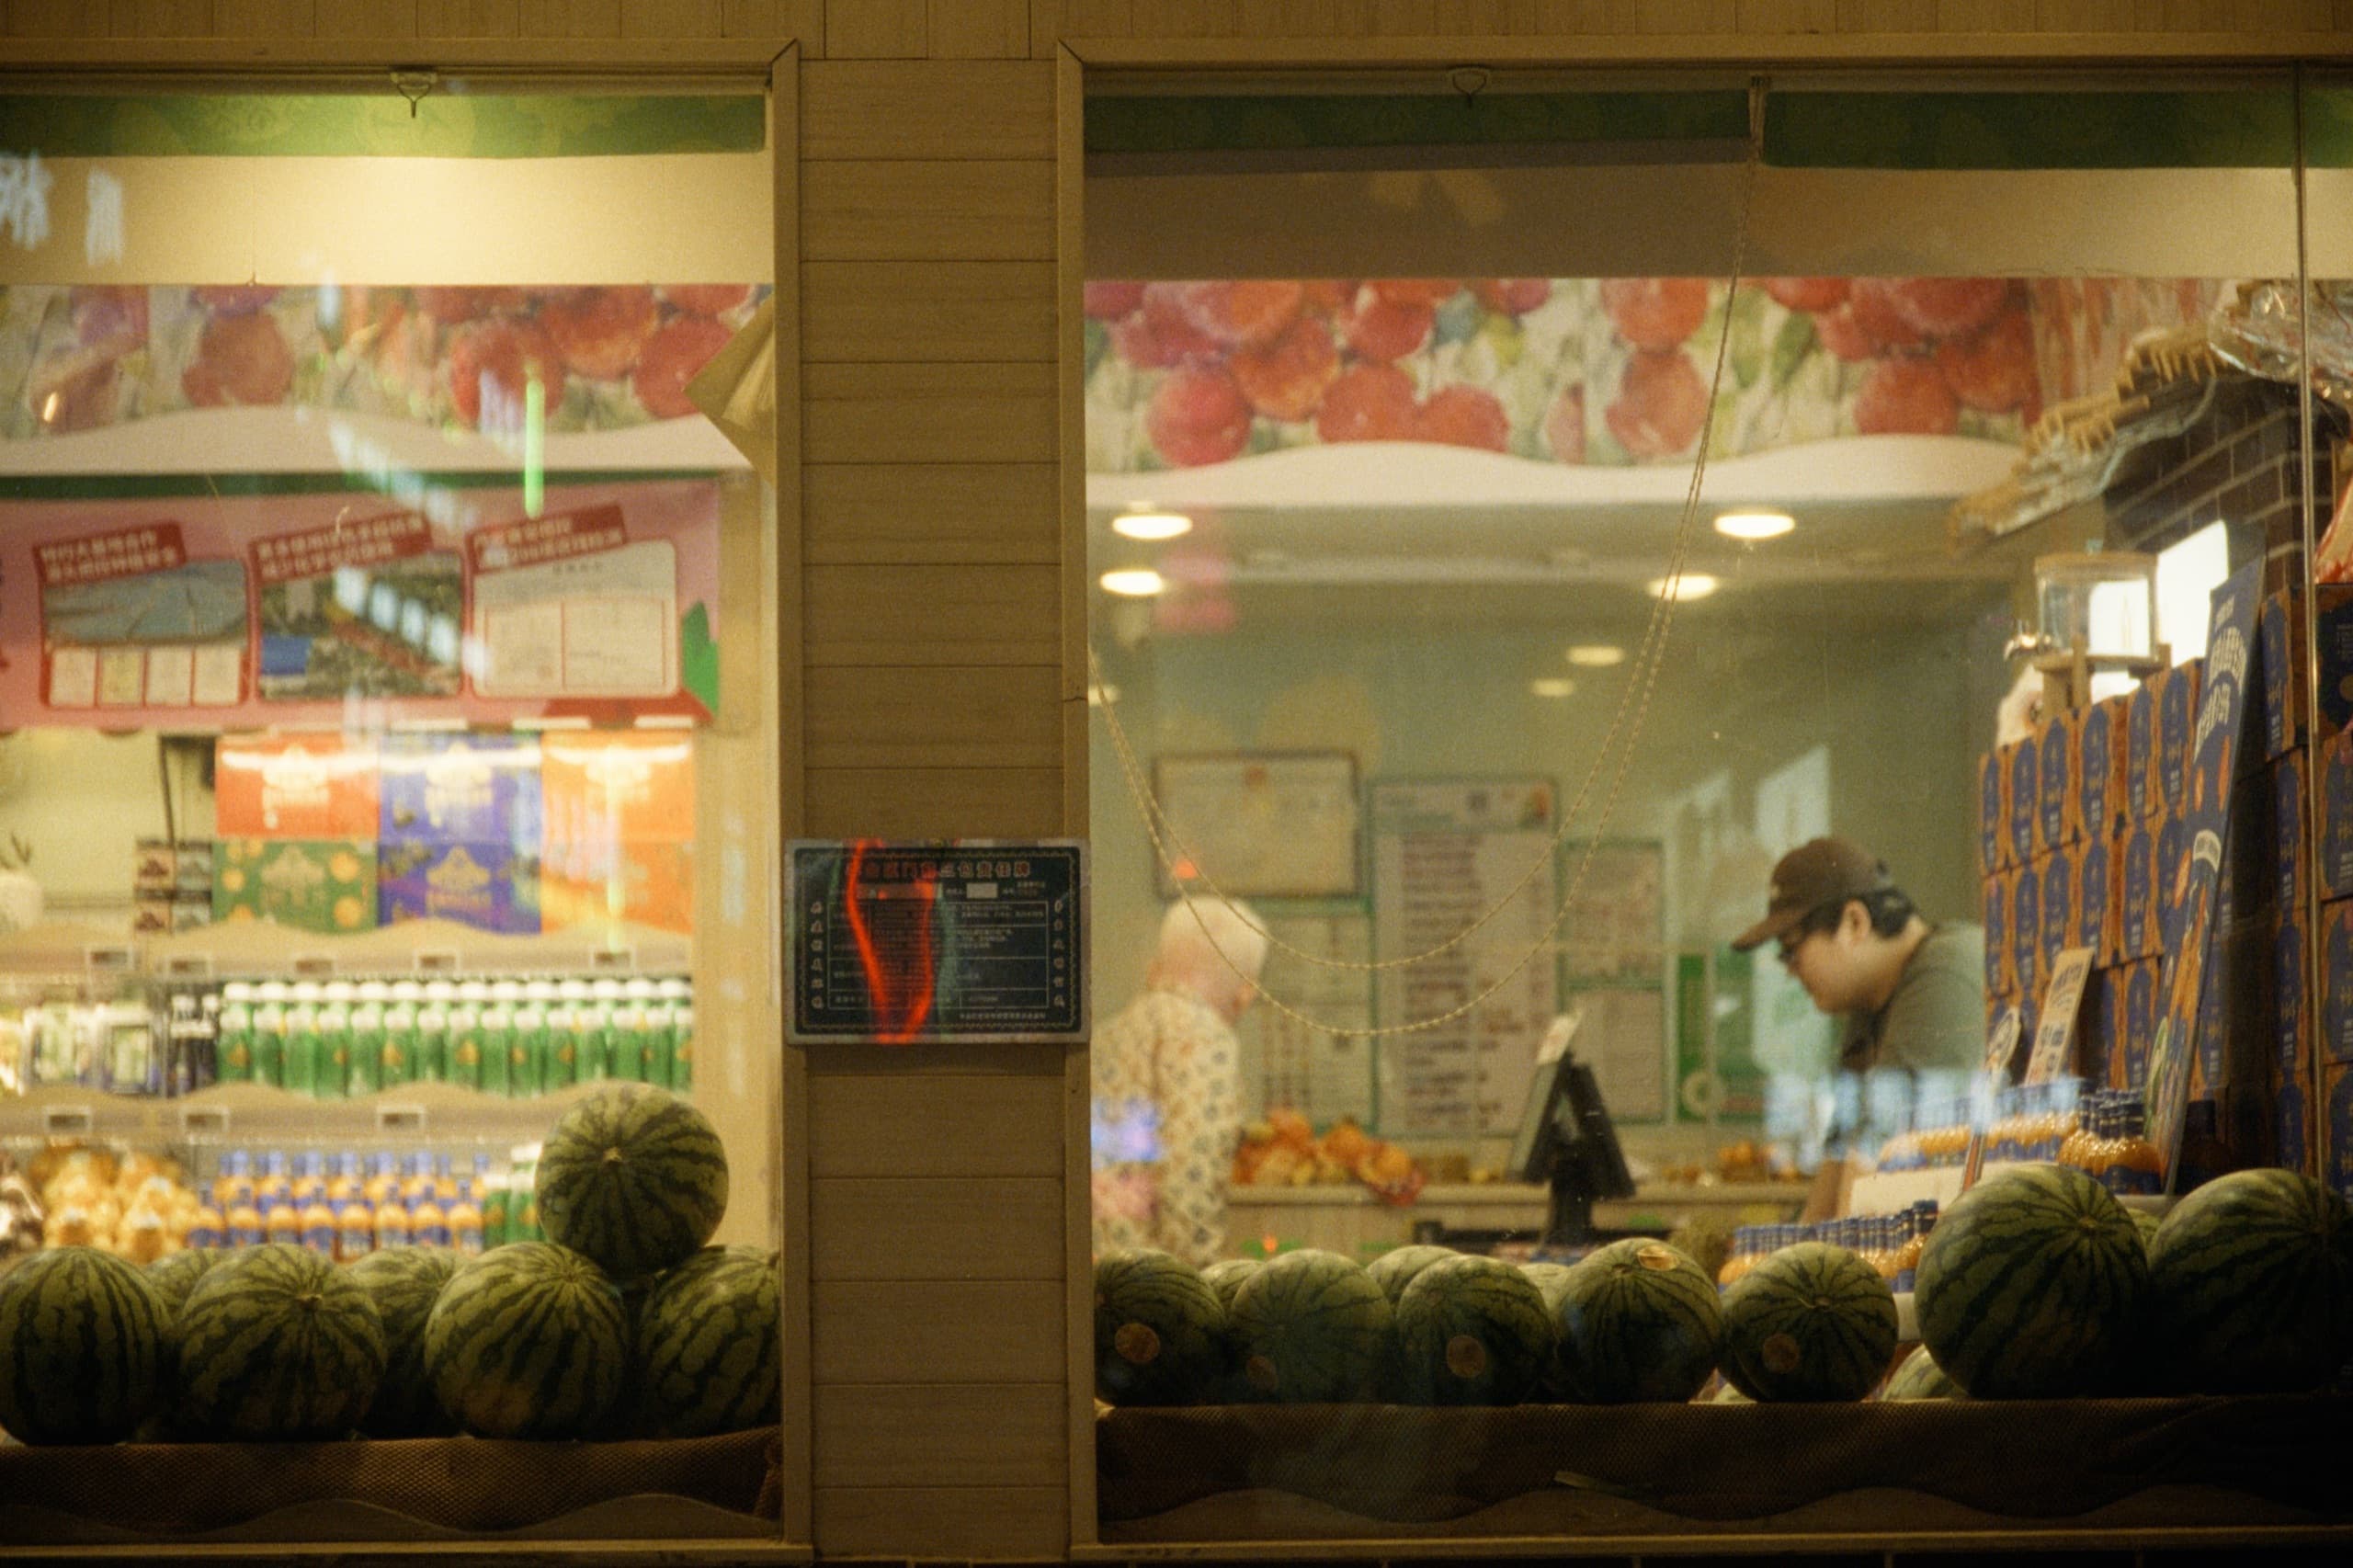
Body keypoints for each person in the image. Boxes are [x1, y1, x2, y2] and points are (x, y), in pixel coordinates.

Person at [1730, 836, 1985, 1219]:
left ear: (1854, 922)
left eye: (1791, 950)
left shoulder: (1944, 970)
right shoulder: (1871, 1000)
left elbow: (1875, 1164)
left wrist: (1827, 1272)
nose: (1789, 970)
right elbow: (1843, 1153)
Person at [1090, 896, 1269, 1267]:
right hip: (1148, 1285)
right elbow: (1191, 1181)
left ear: (1154, 969)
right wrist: (1202, 1293)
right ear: (1244, 994)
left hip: (1093, 1270)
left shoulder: (1111, 1034)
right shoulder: (1205, 1039)